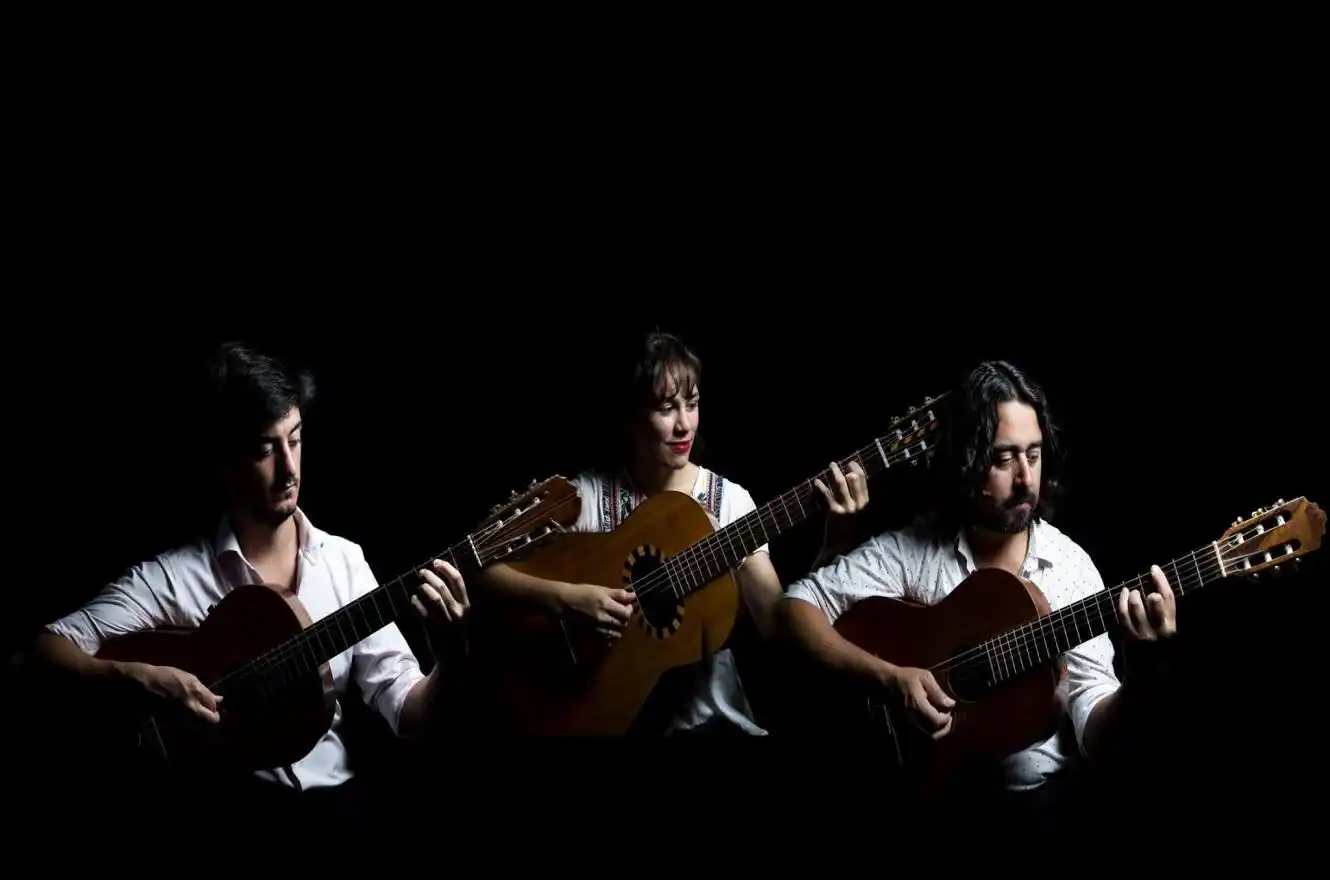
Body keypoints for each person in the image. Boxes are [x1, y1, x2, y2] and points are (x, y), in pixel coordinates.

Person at [16, 341, 469, 821]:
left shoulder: (344, 563)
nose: (289, 469)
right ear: (224, 462)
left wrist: (452, 660)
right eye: (264, 449)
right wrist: (142, 680)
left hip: (336, 808)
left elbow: (410, 714)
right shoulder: (174, 578)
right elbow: (36, 657)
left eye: (295, 439)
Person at [777, 360, 1178, 835]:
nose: (1026, 478)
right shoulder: (916, 550)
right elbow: (794, 607)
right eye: (1004, 459)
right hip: (922, 802)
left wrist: (1142, 675)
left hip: (1037, 809)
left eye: (1034, 455)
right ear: (965, 460)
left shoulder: (1070, 570)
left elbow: (1098, 735)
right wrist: (889, 679)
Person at [478, 329, 867, 736]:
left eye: (692, 404)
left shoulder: (730, 503)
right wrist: (568, 599)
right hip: (600, 720)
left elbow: (782, 630)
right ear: (632, 416)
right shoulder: (589, 497)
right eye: (666, 408)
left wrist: (836, 541)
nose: (684, 425)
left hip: (711, 730)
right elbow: (486, 572)